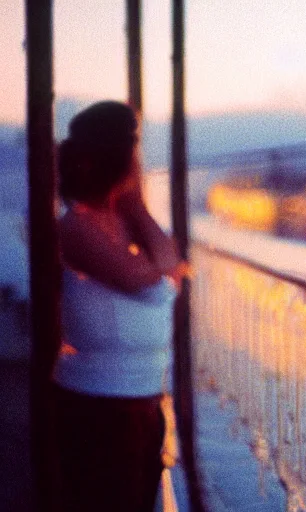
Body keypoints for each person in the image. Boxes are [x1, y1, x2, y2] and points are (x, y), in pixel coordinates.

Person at [52, 101, 184, 511]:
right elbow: (143, 276)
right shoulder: (74, 225)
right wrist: (161, 263)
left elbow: (168, 259)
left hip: (141, 398)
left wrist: (135, 207)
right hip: (101, 406)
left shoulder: (126, 222)